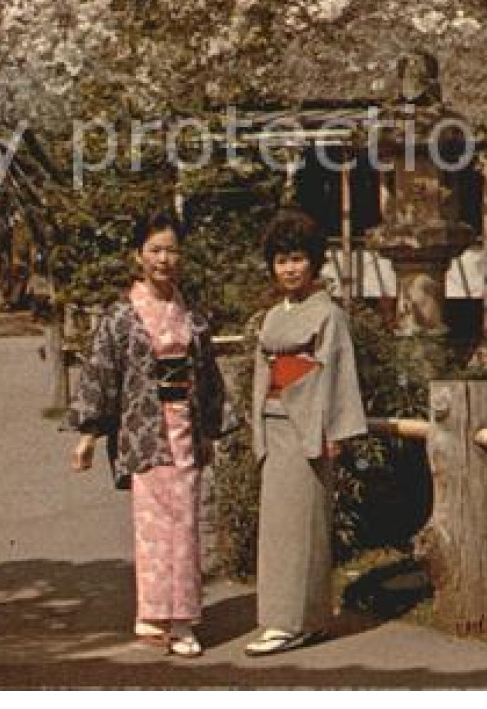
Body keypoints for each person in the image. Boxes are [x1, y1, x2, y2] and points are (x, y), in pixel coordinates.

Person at [68, 209, 238, 658]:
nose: (164, 259)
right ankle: (152, 613)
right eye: (155, 250)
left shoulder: (192, 319)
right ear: (138, 256)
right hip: (144, 432)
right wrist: (88, 433)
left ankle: (182, 620)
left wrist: (212, 432)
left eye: (172, 250)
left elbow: (208, 378)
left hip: (185, 429)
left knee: (185, 526)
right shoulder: (121, 317)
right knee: (151, 528)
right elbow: (101, 373)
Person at [244, 208, 368, 656]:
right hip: (275, 425)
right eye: (280, 260)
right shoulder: (273, 316)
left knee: (302, 526)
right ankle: (299, 618)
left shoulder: (328, 314)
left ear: (314, 262)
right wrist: (257, 421)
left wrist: (333, 429)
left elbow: (336, 373)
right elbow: (263, 372)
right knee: (279, 528)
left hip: (309, 427)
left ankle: (293, 621)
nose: (290, 268)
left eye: (298, 258)